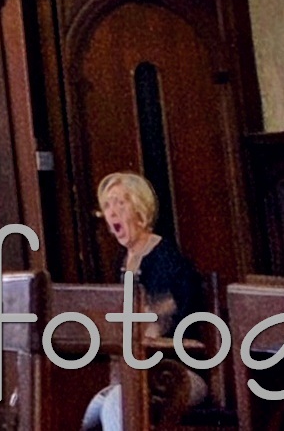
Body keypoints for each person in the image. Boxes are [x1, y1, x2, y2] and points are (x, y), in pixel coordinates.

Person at [85, 174, 224, 431]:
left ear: (140, 208)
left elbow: (171, 321)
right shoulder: (121, 263)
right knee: (93, 408)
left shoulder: (167, 260)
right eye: (107, 205)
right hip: (135, 375)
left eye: (120, 203)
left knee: (118, 402)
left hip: (178, 374)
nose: (112, 212)